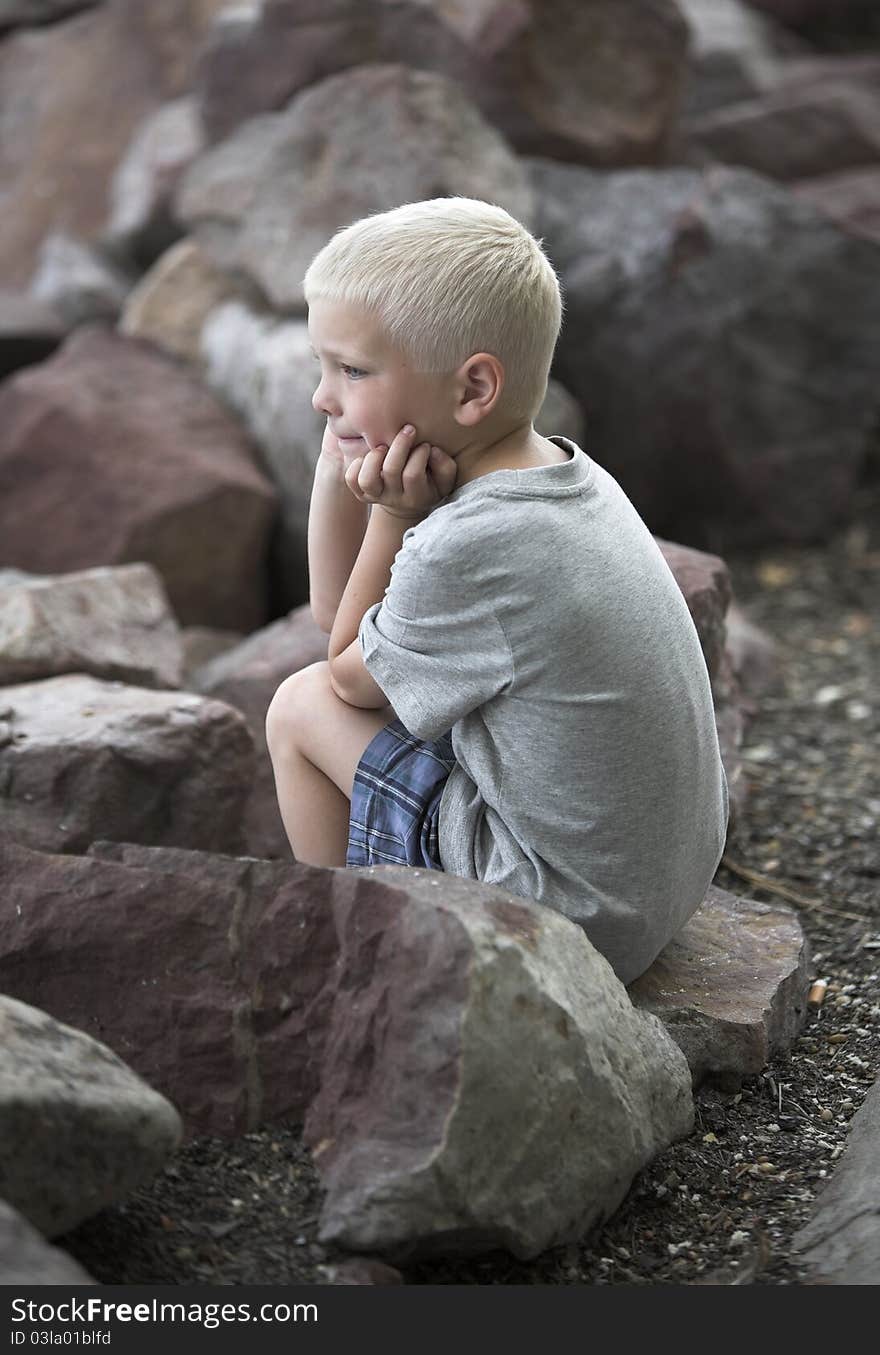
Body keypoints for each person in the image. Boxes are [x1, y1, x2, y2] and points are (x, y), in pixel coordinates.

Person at [265, 197, 728, 985]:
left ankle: (347, 965)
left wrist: (388, 516)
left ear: (473, 388)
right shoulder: (556, 469)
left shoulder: (472, 543)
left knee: (300, 707)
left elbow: (344, 668)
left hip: (563, 917)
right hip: (650, 881)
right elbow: (340, 616)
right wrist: (340, 451)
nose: (321, 395)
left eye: (350, 369)